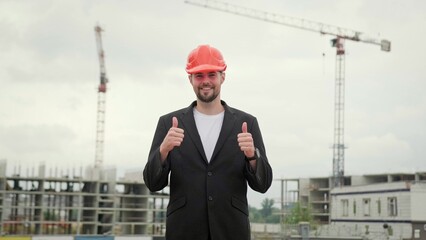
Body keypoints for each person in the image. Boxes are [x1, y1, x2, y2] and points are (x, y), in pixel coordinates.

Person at [143, 44, 273, 240]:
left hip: (231, 230)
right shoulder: (168, 124)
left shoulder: (247, 123)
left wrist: (252, 157)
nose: (205, 81)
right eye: (199, 76)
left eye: (211, 75)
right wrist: (163, 150)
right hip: (184, 231)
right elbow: (153, 183)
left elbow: (263, 185)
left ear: (223, 76)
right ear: (190, 79)